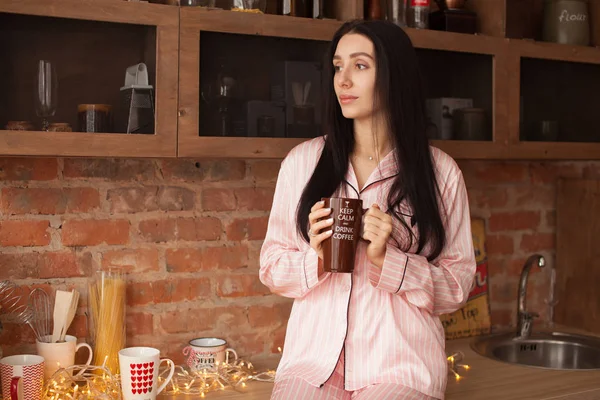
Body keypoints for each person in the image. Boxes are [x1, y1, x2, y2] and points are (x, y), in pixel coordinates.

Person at [259, 19, 476, 400]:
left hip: (400, 368)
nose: (343, 80)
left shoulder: (441, 173)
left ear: (394, 76)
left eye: (360, 66)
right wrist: (317, 256)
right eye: (338, 66)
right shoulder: (302, 163)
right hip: (311, 365)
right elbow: (271, 269)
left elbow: (457, 287)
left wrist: (390, 261)